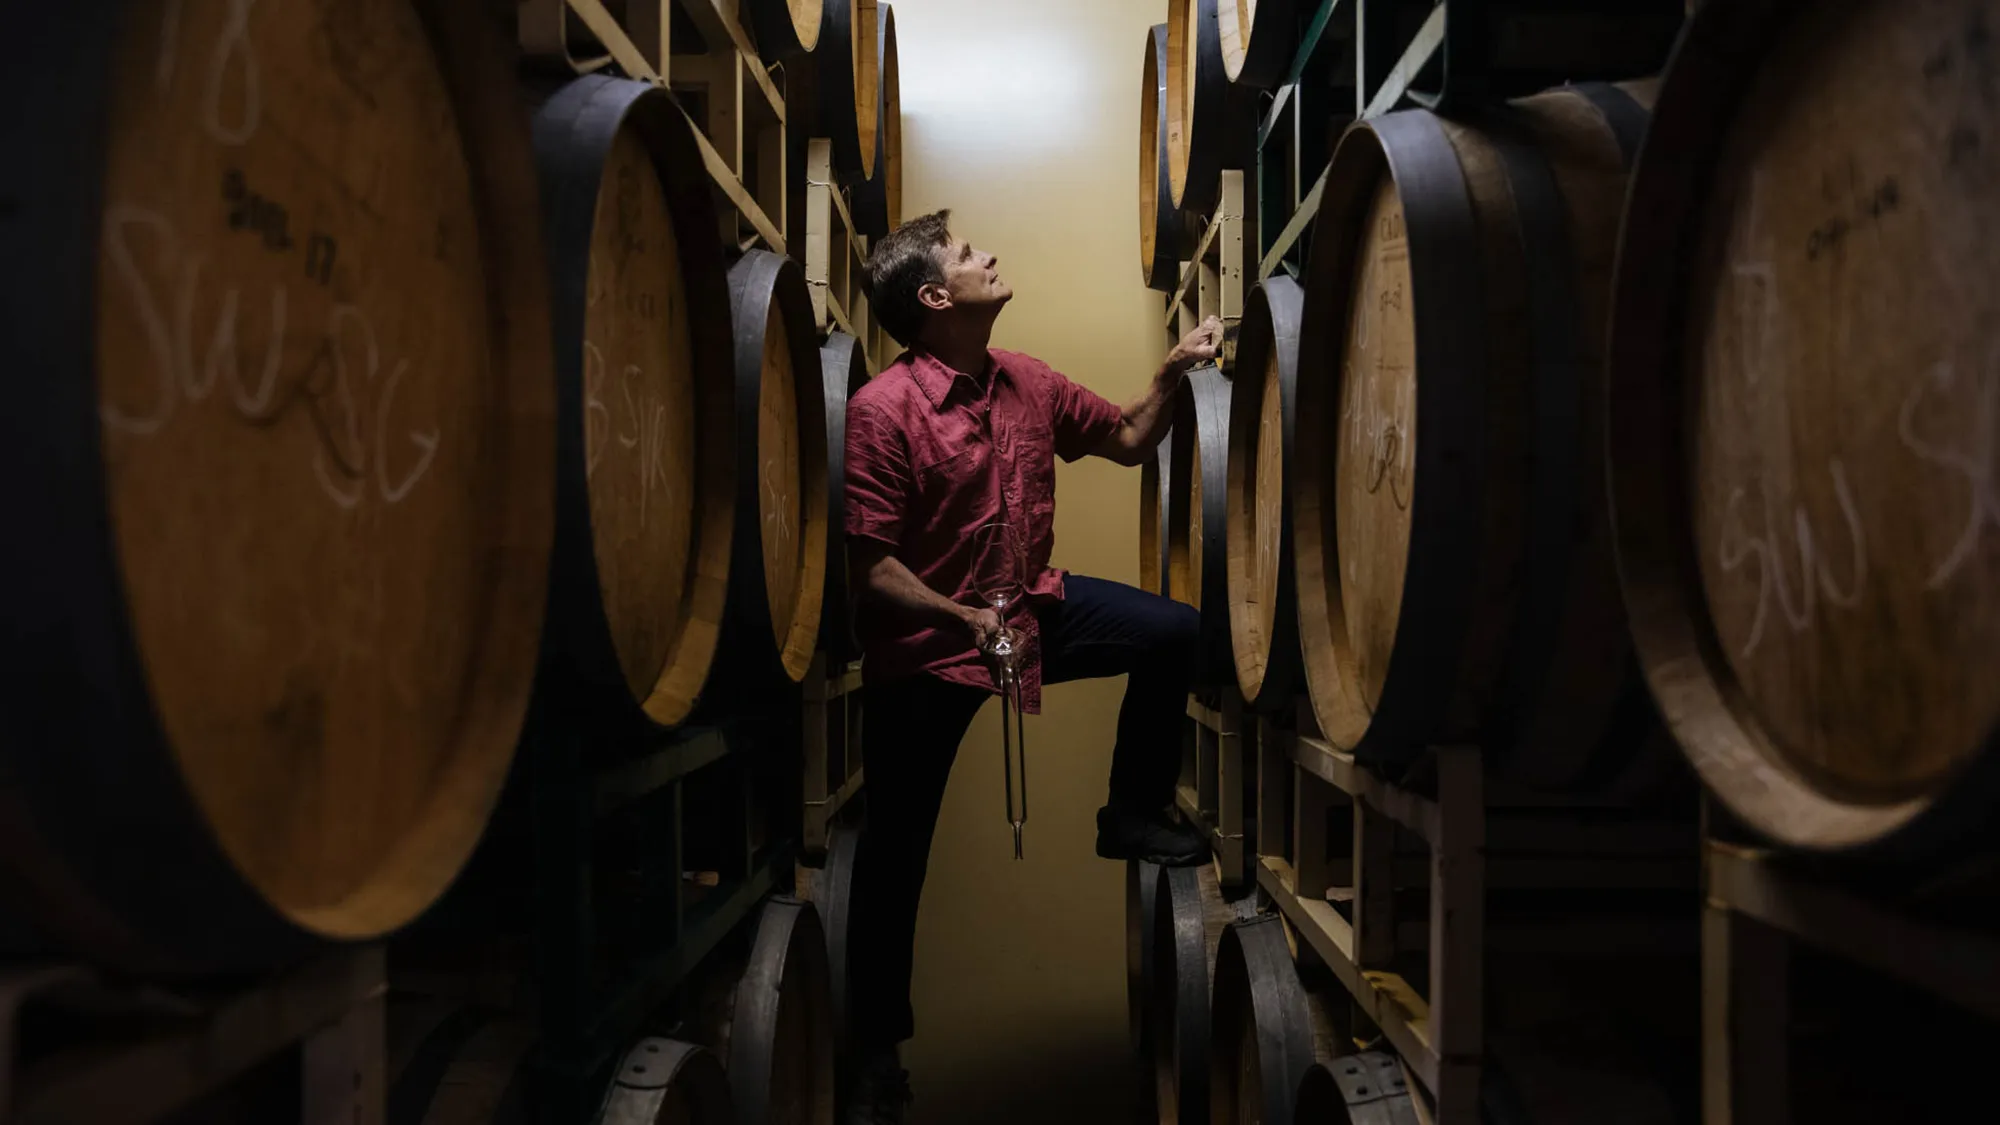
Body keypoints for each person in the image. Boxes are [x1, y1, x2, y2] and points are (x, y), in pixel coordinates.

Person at [839, 209, 1223, 1124]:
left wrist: (1171, 371)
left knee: (1171, 632)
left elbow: (1130, 438)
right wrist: (962, 615)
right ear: (936, 297)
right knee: (895, 858)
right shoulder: (881, 411)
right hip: (930, 651)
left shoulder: (1030, 382)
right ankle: (872, 1055)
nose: (991, 256)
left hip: (1030, 609)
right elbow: (872, 565)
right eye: (970, 256)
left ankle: (1128, 811)